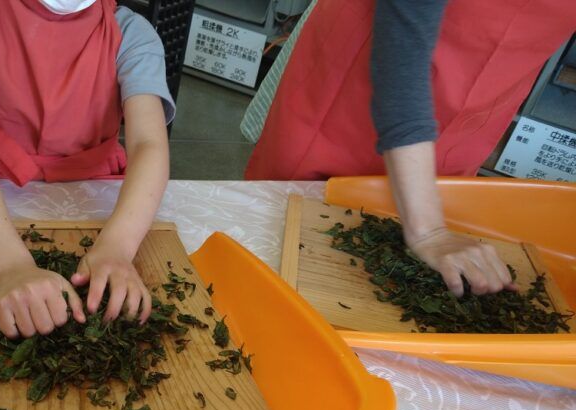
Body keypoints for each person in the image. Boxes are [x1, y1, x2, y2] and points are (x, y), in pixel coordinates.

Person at [246, 0, 576, 297]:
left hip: (482, 97)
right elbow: (402, 45)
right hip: (373, 69)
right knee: (291, 244)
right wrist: (429, 230)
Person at [0, 0, 174, 338]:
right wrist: (12, 266)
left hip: (98, 192)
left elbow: (149, 145)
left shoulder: (132, 32)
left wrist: (117, 247)